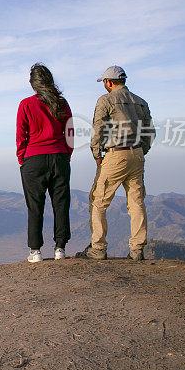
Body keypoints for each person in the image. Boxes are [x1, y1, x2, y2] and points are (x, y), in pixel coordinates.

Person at [77, 66, 155, 261]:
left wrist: (97, 154)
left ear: (108, 82)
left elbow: (98, 129)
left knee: (98, 201)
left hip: (115, 154)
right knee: (136, 202)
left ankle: (98, 248)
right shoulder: (141, 102)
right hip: (137, 155)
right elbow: (150, 131)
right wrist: (142, 150)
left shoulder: (106, 100)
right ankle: (137, 250)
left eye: (104, 82)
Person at [16, 63, 74, 263]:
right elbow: (70, 133)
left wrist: (22, 158)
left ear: (33, 85)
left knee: (35, 206)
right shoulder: (62, 103)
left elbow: (21, 135)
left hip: (34, 160)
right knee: (61, 203)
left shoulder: (26, 104)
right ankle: (60, 248)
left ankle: (36, 251)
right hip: (59, 158)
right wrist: (66, 154)